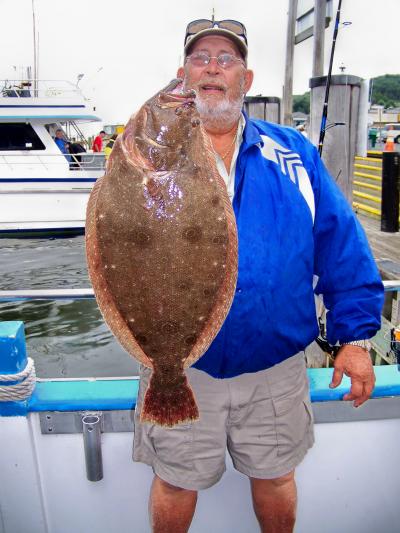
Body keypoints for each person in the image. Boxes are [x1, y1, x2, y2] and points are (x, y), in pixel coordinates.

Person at [132, 19, 384, 533]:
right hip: (182, 364)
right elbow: (119, 245)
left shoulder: (294, 155)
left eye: (226, 59)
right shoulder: (147, 161)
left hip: (275, 368)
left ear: (245, 80)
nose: (212, 69)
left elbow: (340, 243)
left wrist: (353, 336)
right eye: (201, 59)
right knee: (175, 480)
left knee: (275, 477)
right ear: (183, 78)